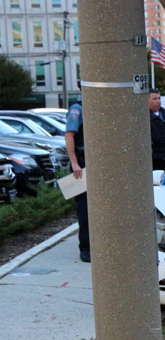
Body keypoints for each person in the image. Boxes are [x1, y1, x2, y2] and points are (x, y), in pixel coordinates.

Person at [65, 99, 90, 263]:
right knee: (84, 209)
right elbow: (69, 135)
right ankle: (86, 249)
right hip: (81, 165)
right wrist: (74, 163)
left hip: (92, 164)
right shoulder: (77, 108)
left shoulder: (94, 106)